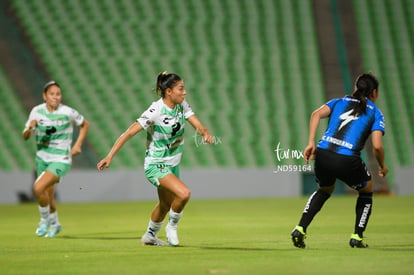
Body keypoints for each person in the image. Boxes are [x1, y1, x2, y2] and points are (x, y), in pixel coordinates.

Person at [97, 72, 213, 246]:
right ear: (168, 91)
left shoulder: (182, 106)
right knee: (183, 194)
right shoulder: (155, 111)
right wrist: (110, 155)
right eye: (180, 89)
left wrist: (205, 133)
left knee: (165, 205)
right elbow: (129, 132)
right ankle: (171, 228)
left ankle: (150, 236)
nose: (184, 92)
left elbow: (197, 123)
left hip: (172, 164)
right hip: (155, 164)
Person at [291, 73, 388, 248]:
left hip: (323, 153)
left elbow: (315, 115)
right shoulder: (376, 113)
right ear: (374, 93)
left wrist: (311, 142)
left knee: (324, 189)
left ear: (356, 89)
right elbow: (377, 146)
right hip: (347, 159)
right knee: (367, 189)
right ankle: (357, 237)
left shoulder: (338, 102)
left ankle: (300, 228)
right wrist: (382, 166)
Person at [23, 81, 89, 237]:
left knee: (38, 188)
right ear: (44, 96)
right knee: (47, 195)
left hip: (61, 158)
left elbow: (85, 124)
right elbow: (25, 136)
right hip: (42, 158)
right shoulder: (36, 111)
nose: (55, 97)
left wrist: (77, 145)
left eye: (58, 94)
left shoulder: (67, 112)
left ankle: (44, 221)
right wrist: (30, 127)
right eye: (52, 94)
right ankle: (55, 224)